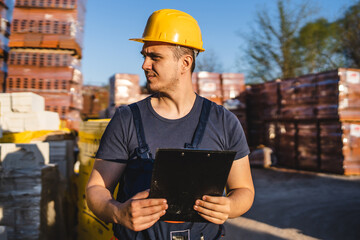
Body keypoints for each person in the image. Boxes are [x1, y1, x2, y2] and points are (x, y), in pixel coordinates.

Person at [86, 9, 254, 240]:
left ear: (185, 63)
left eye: (155, 57)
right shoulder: (126, 119)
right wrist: (117, 212)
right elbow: (96, 189)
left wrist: (230, 206)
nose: (145, 65)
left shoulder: (223, 121)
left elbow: (244, 190)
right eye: (144, 56)